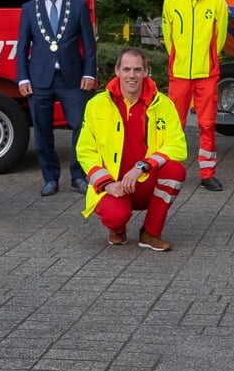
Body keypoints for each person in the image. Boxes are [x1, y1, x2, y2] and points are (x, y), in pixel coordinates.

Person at [78, 48, 187, 251]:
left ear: (146, 72)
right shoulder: (96, 105)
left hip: (145, 181)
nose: (132, 75)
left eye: (138, 70)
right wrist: (108, 183)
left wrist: (142, 166)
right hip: (113, 184)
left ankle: (150, 233)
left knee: (175, 170)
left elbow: (178, 145)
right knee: (116, 216)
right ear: (117, 71)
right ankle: (117, 230)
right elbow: (85, 150)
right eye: (126, 69)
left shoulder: (163, 104)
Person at [16, 0, 98, 197]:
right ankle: (50, 178)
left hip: (72, 77)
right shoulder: (29, 9)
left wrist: (89, 73)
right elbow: (23, 46)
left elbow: (89, 45)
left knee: (80, 127)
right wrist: (23, 78)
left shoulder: (79, 5)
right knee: (42, 131)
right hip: (39, 79)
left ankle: (78, 175)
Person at [162, 0, 230, 191]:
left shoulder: (216, 2)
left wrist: (208, 61)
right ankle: (171, 170)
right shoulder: (171, 2)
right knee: (175, 124)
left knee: (207, 124)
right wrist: (179, 60)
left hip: (206, 74)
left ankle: (207, 173)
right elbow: (168, 37)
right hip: (180, 74)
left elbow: (220, 37)